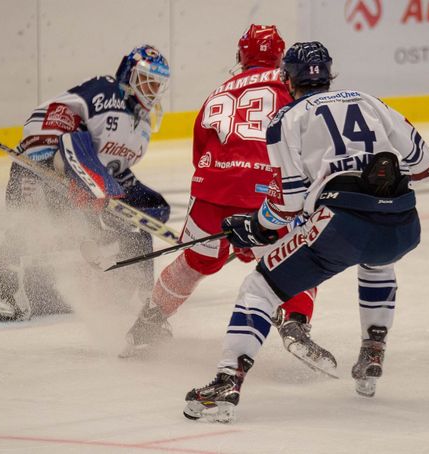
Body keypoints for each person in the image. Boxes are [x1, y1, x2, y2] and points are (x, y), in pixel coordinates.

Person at [183, 41, 429, 423]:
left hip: (343, 225)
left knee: (260, 288)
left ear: (287, 79)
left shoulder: (287, 119)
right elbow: (425, 165)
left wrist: (254, 227)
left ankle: (225, 383)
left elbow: (287, 203)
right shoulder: (371, 102)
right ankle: (373, 349)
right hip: (403, 223)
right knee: (378, 259)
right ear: (330, 75)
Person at [121, 25, 337, 375]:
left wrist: (222, 192)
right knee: (300, 256)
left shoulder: (218, 92)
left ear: (241, 56)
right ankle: (295, 323)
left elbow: (201, 151)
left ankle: (148, 322)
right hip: (265, 189)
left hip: (211, 190)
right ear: (280, 57)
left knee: (195, 263)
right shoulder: (289, 83)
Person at [0, 44, 172, 320]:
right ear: (129, 74)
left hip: (80, 185)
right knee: (30, 222)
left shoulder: (142, 129)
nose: (152, 89)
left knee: (82, 236)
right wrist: (52, 158)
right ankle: (4, 281)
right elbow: (54, 121)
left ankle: (135, 290)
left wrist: (136, 199)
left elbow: (113, 170)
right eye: (146, 80)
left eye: (157, 84)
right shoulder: (105, 91)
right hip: (42, 168)